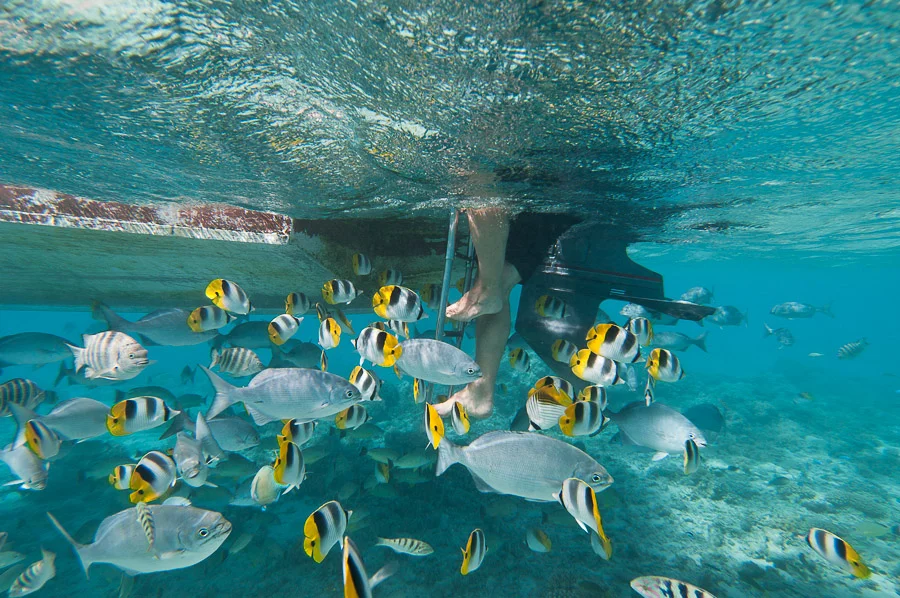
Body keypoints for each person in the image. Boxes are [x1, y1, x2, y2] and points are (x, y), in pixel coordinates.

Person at [437, 208, 579, 419]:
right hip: (545, 211)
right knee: (497, 281)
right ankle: (480, 390)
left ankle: (486, 291)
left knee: (482, 189)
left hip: (548, 203)